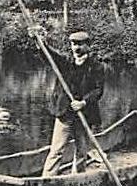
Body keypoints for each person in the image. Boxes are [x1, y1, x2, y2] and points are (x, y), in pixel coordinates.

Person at [35, 29, 105, 177]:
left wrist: (83, 102)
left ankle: (77, 179)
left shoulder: (96, 66)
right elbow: (49, 56)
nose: (76, 48)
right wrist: (41, 42)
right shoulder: (65, 62)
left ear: (88, 46)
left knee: (81, 151)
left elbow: (98, 91)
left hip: (84, 114)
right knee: (56, 150)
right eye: (73, 44)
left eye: (80, 44)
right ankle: (47, 179)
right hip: (65, 113)